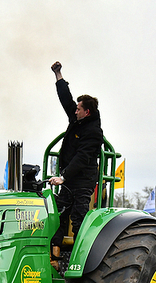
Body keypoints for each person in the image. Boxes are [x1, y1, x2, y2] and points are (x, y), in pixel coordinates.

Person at [48, 61, 104, 268]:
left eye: (79, 109)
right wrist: (58, 75)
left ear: (86, 112)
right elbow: (66, 100)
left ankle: (80, 261)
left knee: (79, 218)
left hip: (82, 181)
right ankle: (55, 257)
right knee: (59, 214)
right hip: (70, 179)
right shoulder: (77, 119)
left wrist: (63, 176)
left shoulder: (93, 132)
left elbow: (82, 158)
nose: (75, 111)